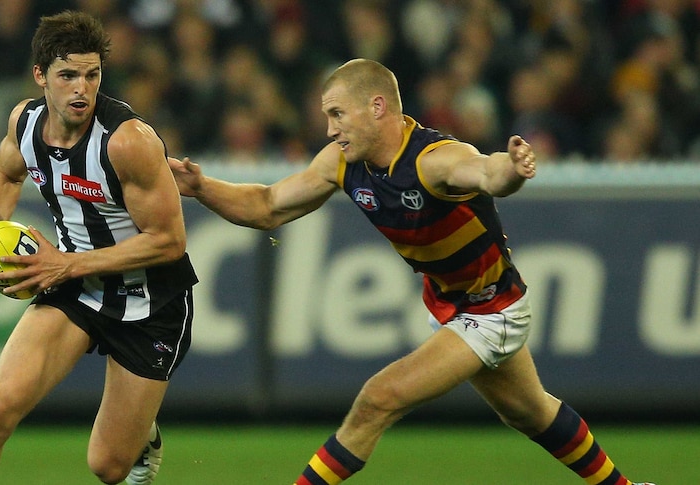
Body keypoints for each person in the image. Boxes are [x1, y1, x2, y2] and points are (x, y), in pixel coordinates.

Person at [167, 58, 654, 485]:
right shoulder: (342, 162)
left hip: (491, 310)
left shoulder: (432, 159)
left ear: (376, 107)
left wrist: (514, 166)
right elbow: (269, 205)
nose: (331, 128)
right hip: (451, 302)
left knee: (378, 399)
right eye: (327, 117)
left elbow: (486, 172)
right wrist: (203, 187)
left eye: (338, 114)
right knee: (531, 413)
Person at [0, 11, 198, 485]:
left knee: (107, 466)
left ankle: (143, 433)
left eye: (92, 74)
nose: (82, 89)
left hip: (150, 303)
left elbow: (169, 242)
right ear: (40, 76)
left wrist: (65, 263)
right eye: (68, 76)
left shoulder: (129, 142)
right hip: (75, 287)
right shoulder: (25, 123)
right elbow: (4, 173)